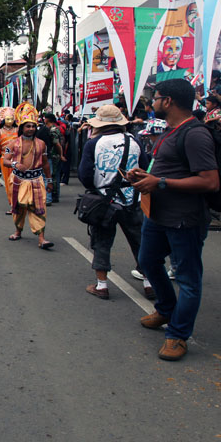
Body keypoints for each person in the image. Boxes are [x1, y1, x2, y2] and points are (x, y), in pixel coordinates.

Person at [126, 78, 219, 362]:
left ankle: (178, 334)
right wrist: (145, 176)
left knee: (188, 279)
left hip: (184, 220)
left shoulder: (195, 134)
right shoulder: (170, 131)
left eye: (155, 98)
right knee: (148, 261)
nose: (151, 103)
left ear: (168, 101)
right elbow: (167, 171)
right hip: (158, 214)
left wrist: (161, 182)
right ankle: (166, 309)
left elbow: (210, 181)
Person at [77, 105, 152, 300]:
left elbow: (85, 174)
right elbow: (144, 167)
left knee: (102, 242)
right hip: (132, 199)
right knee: (140, 241)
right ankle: (149, 283)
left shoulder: (94, 144)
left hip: (104, 200)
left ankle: (102, 285)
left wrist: (97, 186)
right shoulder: (134, 141)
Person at [5, 103, 54, 250]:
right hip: (18, 180)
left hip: (36, 179)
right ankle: (18, 231)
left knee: (39, 207)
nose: (31, 129)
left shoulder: (41, 144)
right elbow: (5, 160)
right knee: (18, 206)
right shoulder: (12, 144)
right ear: (22, 127)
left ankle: (41, 238)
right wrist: (15, 164)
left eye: (33, 126)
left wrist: (49, 180)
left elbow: (45, 163)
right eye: (28, 126)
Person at [0, 107, 19, 210]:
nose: (10, 121)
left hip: (18, 159)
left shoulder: (18, 130)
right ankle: (12, 204)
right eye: (8, 119)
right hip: (5, 160)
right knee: (8, 183)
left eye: (11, 119)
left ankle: (19, 202)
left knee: (19, 181)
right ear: (3, 119)